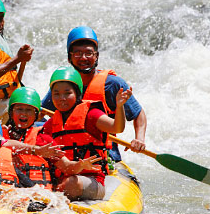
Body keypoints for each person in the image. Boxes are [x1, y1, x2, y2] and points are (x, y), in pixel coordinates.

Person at [41, 26, 147, 163]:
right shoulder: (63, 86)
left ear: (96, 56)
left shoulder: (113, 84)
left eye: (89, 53)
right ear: (69, 58)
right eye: (77, 53)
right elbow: (40, 114)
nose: (83, 58)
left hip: (104, 156)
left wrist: (139, 139)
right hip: (67, 157)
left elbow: (138, 114)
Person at [37, 67, 132, 201]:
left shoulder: (91, 115)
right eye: (56, 94)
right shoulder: (50, 125)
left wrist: (120, 106)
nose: (61, 98)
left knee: (70, 184)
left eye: (67, 93)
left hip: (92, 181)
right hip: (65, 178)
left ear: (77, 93)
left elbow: (117, 127)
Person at [1, 87, 64, 190]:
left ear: (36, 115)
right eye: (19, 109)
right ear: (11, 112)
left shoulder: (43, 140)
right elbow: (3, 143)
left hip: (39, 195)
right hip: (9, 192)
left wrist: (79, 166)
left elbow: (65, 166)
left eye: (29, 110)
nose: (24, 113)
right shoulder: (0, 135)